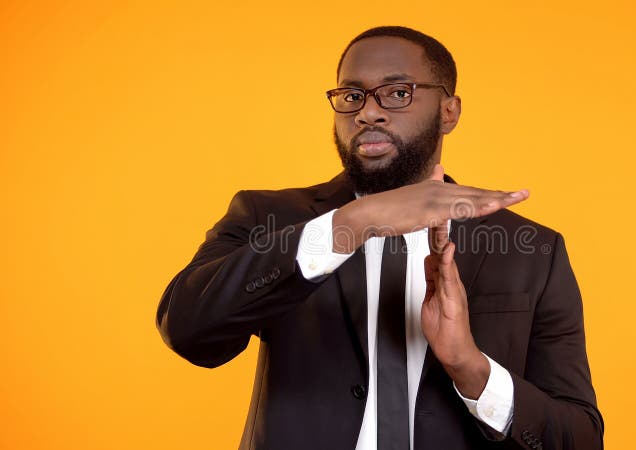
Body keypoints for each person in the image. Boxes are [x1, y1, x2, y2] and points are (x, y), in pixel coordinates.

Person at [156, 26, 603, 450]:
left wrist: (472, 368)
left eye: (397, 92)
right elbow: (188, 331)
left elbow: (580, 437)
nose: (367, 111)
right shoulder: (268, 217)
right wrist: (350, 224)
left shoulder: (533, 250)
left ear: (449, 111)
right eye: (352, 96)